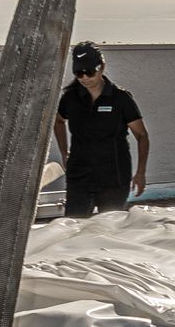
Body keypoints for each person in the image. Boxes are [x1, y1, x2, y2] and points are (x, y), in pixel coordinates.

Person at [54, 43, 149, 217]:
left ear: (102, 67)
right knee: (74, 225)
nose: (84, 78)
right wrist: (63, 151)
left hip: (114, 176)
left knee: (111, 227)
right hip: (79, 174)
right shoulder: (70, 98)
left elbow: (142, 135)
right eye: (78, 73)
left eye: (89, 72)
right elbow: (58, 120)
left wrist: (140, 173)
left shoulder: (120, 98)